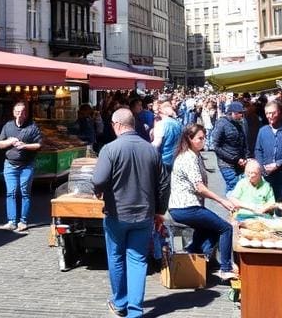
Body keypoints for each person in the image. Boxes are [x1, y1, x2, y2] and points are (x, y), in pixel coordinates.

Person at [91, 108, 161, 318]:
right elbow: (163, 184)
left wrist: (98, 192)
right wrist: (160, 210)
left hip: (117, 214)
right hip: (144, 214)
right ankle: (135, 310)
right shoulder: (151, 150)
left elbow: (98, 180)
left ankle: (120, 302)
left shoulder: (110, 149)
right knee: (138, 260)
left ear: (118, 125)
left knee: (116, 257)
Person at [167, 123, 238, 281]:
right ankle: (225, 268)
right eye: (200, 138)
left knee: (210, 229)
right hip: (185, 207)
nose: (203, 140)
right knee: (225, 228)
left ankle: (193, 254)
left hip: (187, 207)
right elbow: (200, 188)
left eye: (204, 137)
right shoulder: (188, 158)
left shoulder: (194, 155)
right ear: (190, 139)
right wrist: (222, 201)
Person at [0, 101, 42, 232]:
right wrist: (9, 141)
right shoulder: (8, 126)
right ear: (13, 113)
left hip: (26, 165)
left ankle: (23, 221)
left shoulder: (32, 127)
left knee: (24, 193)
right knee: (11, 192)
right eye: (17, 112)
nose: (19, 115)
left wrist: (25, 146)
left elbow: (39, 145)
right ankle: (11, 221)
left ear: (25, 114)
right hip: (10, 165)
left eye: (22, 112)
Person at [210, 101, 248, 192]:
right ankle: (231, 205)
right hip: (226, 163)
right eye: (239, 113)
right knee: (233, 185)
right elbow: (215, 145)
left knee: (240, 187)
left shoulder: (239, 124)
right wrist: (234, 158)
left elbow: (243, 143)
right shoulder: (222, 124)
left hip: (239, 162)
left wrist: (245, 157)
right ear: (232, 113)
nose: (241, 116)